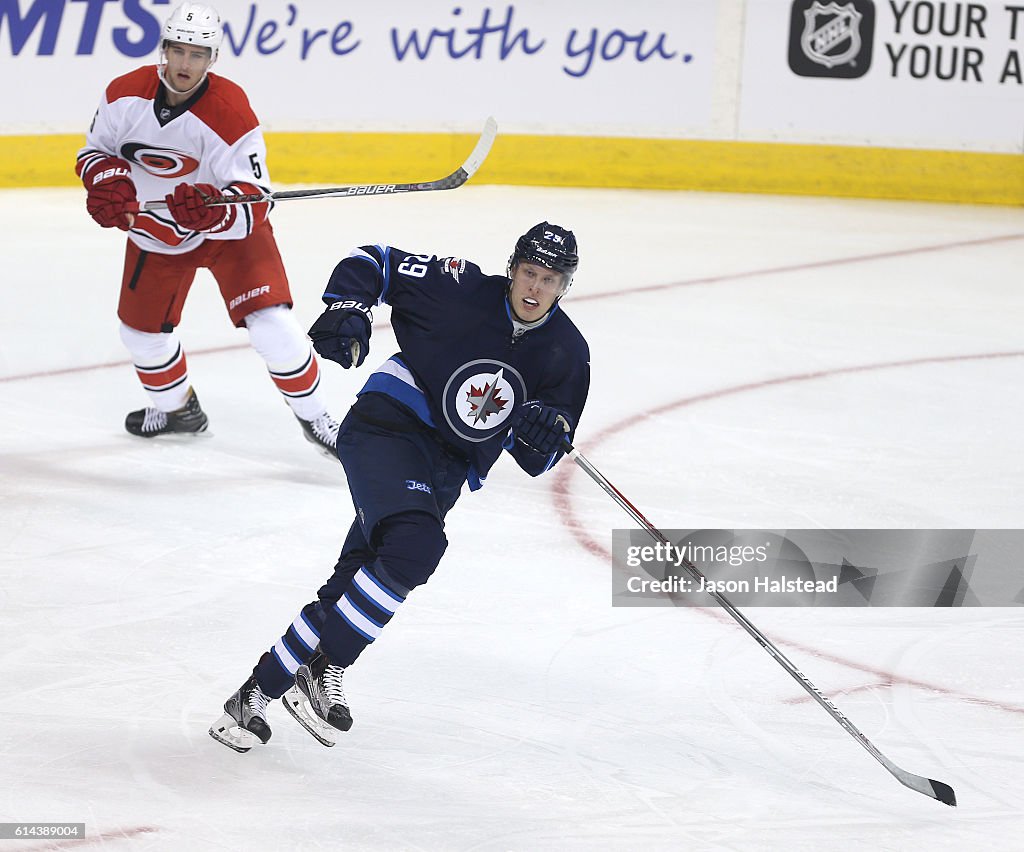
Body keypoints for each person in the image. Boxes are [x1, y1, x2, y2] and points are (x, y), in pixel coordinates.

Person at [209, 222, 591, 752]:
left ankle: (256, 693)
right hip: (389, 425)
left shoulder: (568, 354)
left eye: (550, 280)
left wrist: (543, 428)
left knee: (357, 581)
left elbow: (540, 456)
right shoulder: (459, 287)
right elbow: (377, 259)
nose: (535, 289)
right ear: (512, 268)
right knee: (416, 546)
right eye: (529, 273)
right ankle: (324, 666)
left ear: (564, 286)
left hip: (450, 468)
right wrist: (349, 308)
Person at [75, 3, 340, 457]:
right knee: (140, 334)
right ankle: (179, 410)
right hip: (155, 230)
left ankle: (317, 416)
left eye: (197, 54)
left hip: (228, 234)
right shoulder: (123, 95)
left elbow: (255, 201)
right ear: (163, 49)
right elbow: (93, 152)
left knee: (272, 325)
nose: (184, 64)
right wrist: (108, 181)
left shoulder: (230, 111)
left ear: (212, 58)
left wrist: (214, 211)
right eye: (177, 51)